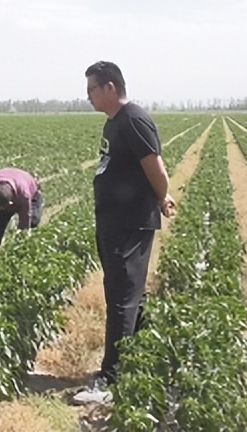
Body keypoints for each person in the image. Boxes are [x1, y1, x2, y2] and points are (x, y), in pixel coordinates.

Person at [73, 61, 176, 405]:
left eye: (91, 89)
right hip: (115, 222)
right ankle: (142, 356)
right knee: (128, 294)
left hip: (130, 223)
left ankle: (111, 378)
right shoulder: (114, 123)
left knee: (122, 298)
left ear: (110, 88)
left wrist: (163, 196)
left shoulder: (133, 120)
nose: (87, 96)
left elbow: (155, 166)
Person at [0, 167, 43, 259]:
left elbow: (25, 222)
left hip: (31, 191)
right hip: (7, 184)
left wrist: (20, 241)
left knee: (33, 220)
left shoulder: (24, 194)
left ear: (9, 204)